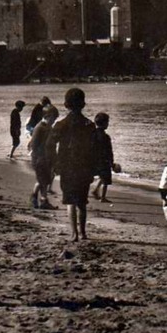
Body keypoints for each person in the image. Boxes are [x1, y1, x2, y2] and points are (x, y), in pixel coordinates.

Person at [44, 88, 97, 241]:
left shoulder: (61, 125)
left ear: (66, 105)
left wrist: (54, 163)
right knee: (82, 201)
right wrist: (94, 169)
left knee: (70, 201)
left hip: (66, 167)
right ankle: (83, 232)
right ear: (83, 104)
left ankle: (74, 233)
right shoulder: (89, 125)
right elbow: (94, 150)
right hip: (84, 168)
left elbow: (49, 145)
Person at [28, 112, 59, 211]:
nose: (53, 121)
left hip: (45, 158)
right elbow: (34, 145)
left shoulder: (46, 127)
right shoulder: (40, 128)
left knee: (43, 180)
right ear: (46, 117)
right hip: (40, 159)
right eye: (52, 119)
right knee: (43, 180)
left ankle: (35, 197)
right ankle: (43, 200)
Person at [91, 112, 114, 203]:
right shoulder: (106, 137)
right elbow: (109, 151)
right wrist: (111, 162)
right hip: (103, 160)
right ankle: (103, 197)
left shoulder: (92, 134)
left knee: (100, 176)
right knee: (106, 179)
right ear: (104, 124)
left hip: (94, 159)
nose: (108, 124)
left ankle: (95, 190)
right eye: (107, 122)